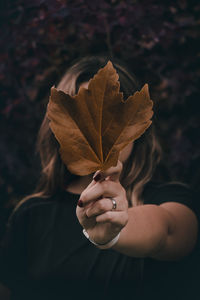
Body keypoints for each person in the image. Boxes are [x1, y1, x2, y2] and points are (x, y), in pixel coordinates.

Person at [0, 56, 198, 300]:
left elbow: (167, 232)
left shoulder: (173, 200)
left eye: (112, 119)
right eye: (84, 120)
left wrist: (114, 230)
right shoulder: (30, 214)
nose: (99, 132)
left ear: (136, 129)